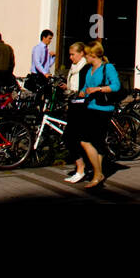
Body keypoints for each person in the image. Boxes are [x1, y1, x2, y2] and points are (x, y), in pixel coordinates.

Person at [78, 41, 121, 189]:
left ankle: (97, 174)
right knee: (96, 142)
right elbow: (85, 86)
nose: (84, 57)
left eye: (87, 54)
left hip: (103, 109)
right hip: (90, 107)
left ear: (93, 55)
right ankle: (98, 173)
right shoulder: (90, 69)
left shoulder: (107, 67)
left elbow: (116, 86)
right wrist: (83, 91)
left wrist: (98, 89)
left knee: (86, 140)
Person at [60, 41, 88, 183]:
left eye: (73, 54)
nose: (70, 57)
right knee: (72, 138)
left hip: (82, 108)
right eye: (70, 54)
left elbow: (85, 88)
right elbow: (74, 87)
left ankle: (82, 169)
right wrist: (67, 87)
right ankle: (81, 168)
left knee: (72, 138)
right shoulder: (74, 68)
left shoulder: (85, 68)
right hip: (73, 105)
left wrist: (77, 92)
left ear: (81, 53)